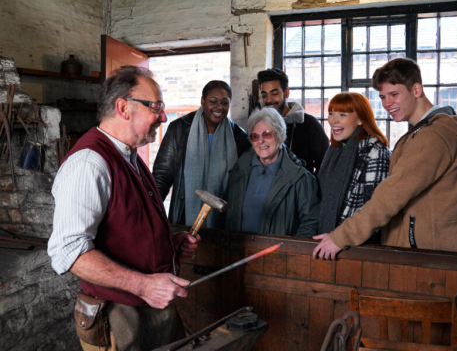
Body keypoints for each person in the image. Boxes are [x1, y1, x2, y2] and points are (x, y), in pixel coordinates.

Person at [47, 66, 199, 351]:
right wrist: (144, 286)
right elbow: (68, 251)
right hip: (119, 317)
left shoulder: (128, 154)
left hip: (153, 311)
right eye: (155, 106)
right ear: (123, 108)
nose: (163, 116)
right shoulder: (89, 163)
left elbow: (128, 225)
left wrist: (167, 244)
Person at [313, 58, 457, 260]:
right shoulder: (433, 131)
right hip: (442, 255)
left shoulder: (433, 136)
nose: (387, 103)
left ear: (416, 90)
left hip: (436, 259)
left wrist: (340, 237)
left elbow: (390, 196)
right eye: (383, 97)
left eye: (394, 94)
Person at [153, 80, 250, 228]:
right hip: (183, 216)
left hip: (223, 221)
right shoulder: (178, 129)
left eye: (225, 103)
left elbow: (243, 183)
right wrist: (152, 212)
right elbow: (162, 175)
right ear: (202, 101)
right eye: (213, 101)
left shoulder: (239, 137)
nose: (219, 107)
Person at [225, 107, 320, 238]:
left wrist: (289, 252)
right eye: (255, 136)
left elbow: (311, 221)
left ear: (281, 135)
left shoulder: (300, 178)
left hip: (277, 255)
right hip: (239, 251)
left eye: (267, 134)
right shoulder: (239, 170)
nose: (261, 141)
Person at [316, 92, 391, 244]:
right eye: (331, 113)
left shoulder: (375, 151)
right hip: (329, 241)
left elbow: (374, 209)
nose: (333, 120)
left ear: (360, 119)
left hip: (356, 244)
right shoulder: (336, 149)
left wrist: (341, 237)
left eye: (342, 114)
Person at [258, 68, 329, 175]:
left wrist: (310, 187)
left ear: (286, 93)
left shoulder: (309, 124)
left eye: (274, 93)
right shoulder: (259, 127)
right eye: (264, 95)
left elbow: (325, 165)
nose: (268, 100)